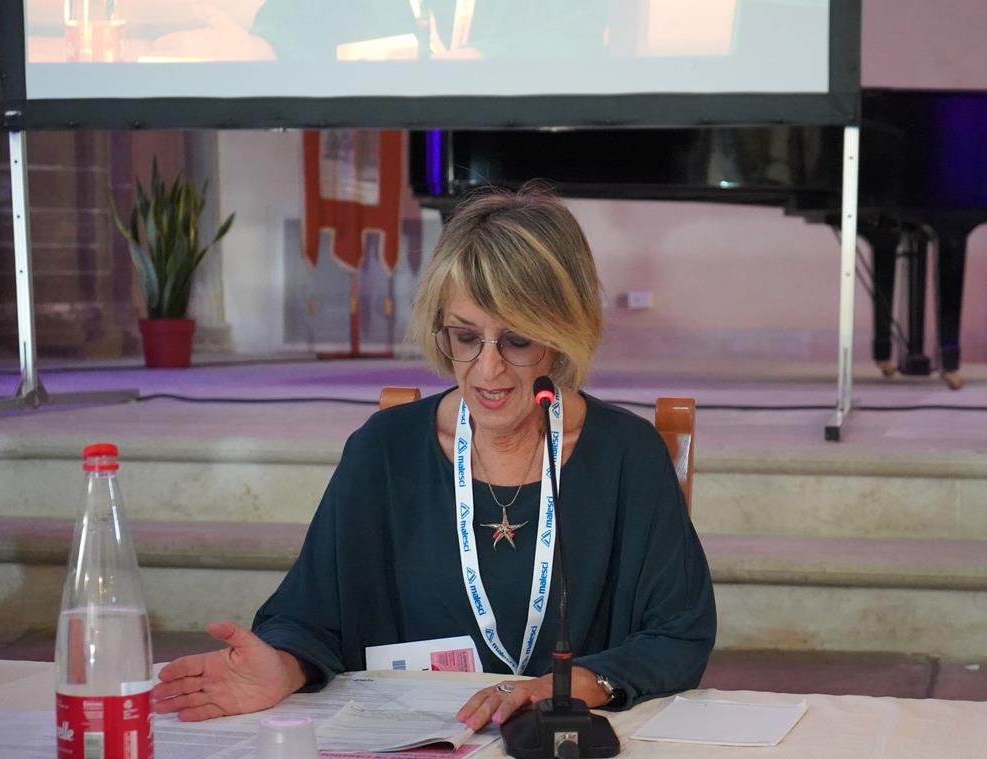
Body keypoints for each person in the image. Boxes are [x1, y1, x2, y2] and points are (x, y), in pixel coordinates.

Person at [152, 186, 716, 730]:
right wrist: (283, 667)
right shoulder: (385, 451)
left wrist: (566, 687)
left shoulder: (627, 456)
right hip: (421, 750)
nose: (488, 370)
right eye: (465, 338)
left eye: (517, 341)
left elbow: (678, 635)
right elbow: (311, 615)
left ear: (562, 333)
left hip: (564, 744)